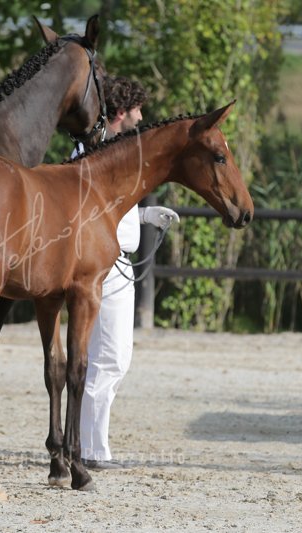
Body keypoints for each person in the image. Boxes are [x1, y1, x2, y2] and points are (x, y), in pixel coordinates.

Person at [73, 76, 180, 470]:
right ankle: (91, 448)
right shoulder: (93, 151)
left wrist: (144, 215)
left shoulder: (111, 152)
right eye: (137, 111)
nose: (141, 119)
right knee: (111, 357)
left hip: (117, 262)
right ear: (121, 112)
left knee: (107, 357)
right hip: (106, 265)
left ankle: (86, 442)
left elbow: (112, 206)